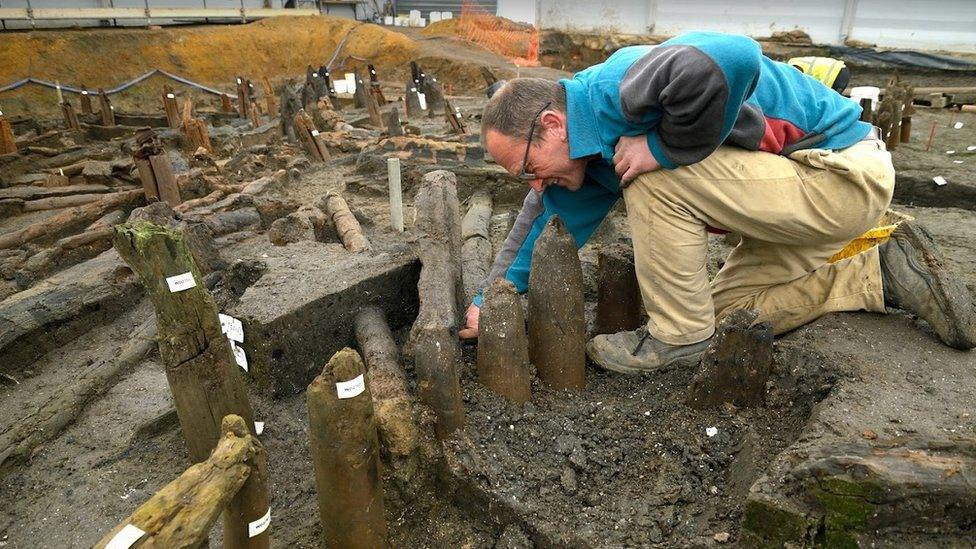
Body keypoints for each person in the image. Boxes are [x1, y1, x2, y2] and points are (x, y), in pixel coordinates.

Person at [459, 31, 976, 374]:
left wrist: (661, 148)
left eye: (528, 168)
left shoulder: (619, 87)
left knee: (649, 177)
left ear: (551, 125)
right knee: (720, 320)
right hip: (794, 205)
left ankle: (675, 337)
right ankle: (875, 273)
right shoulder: (583, 154)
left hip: (839, 174)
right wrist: (488, 300)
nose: (533, 184)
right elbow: (540, 219)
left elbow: (734, 54)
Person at [787, 56, 851, 94]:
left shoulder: (792, 66)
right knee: (834, 100)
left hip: (833, 74)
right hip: (843, 70)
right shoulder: (795, 61)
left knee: (824, 97)